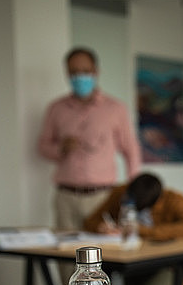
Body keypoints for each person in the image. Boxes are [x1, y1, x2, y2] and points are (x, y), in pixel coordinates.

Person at [38, 47, 141, 234]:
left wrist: (133, 192)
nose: (79, 77)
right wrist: (61, 148)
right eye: (74, 72)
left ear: (95, 71)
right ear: (67, 74)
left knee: (101, 249)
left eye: (85, 71)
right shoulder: (56, 108)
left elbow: (131, 150)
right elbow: (43, 147)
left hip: (102, 197)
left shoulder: (115, 108)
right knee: (67, 249)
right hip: (66, 196)